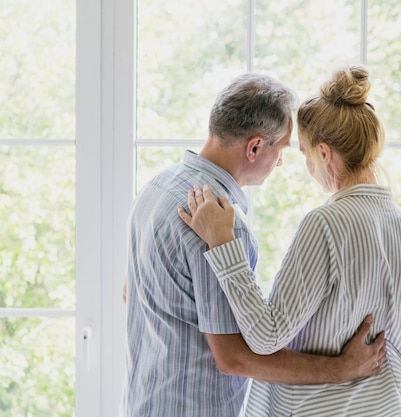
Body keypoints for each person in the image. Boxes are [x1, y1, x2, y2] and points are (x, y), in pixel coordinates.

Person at [120, 72, 386, 417]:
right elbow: (234, 358)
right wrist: (341, 369)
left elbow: (130, 292)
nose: (281, 161)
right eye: (282, 149)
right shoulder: (218, 223)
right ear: (255, 147)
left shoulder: (156, 189)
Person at [178, 66, 401, 416]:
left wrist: (223, 243)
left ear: (324, 154)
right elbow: (397, 358)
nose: (306, 165)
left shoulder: (326, 223)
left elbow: (266, 336)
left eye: (306, 154)